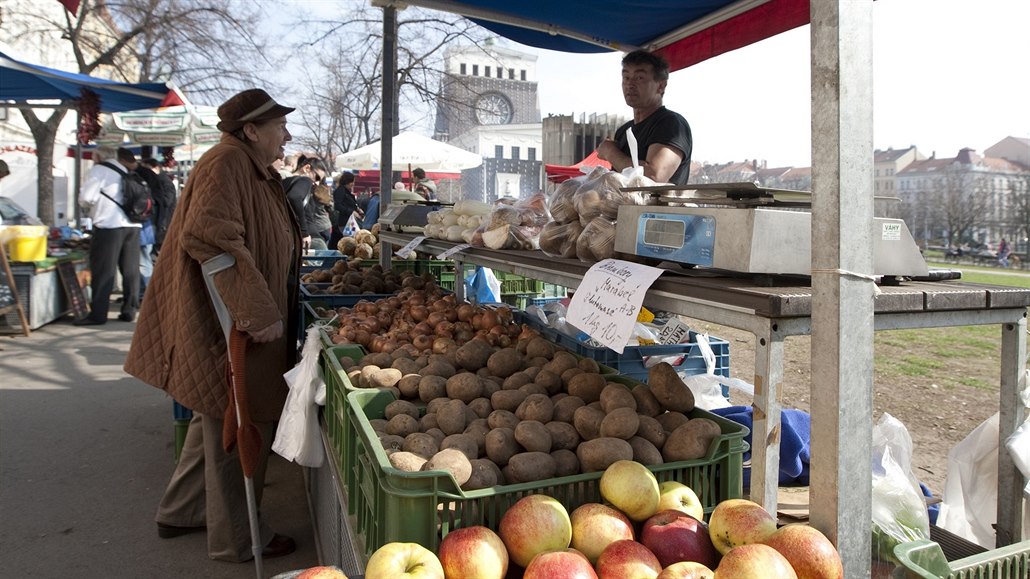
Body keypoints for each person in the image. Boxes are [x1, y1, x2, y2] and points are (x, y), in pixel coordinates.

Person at [123, 88, 300, 562]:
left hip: (236, 314)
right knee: (242, 422)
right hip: (229, 320)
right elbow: (212, 239)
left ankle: (181, 510)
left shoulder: (249, 166)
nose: (286, 135)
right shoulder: (227, 163)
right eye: (278, 127)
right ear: (250, 131)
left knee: (213, 414)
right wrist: (256, 310)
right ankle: (239, 539)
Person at [596, 49, 693, 185]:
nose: (630, 84)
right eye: (626, 78)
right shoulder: (623, 131)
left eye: (640, 78)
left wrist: (610, 152)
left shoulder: (671, 123)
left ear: (661, 85)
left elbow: (654, 176)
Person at [75, 146, 143, 325]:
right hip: (132, 224)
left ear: (98, 156)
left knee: (103, 270)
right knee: (130, 270)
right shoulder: (125, 171)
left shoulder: (99, 170)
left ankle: (98, 314)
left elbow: (87, 197)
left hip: (109, 224)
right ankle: (129, 310)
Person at [284, 155, 332, 250]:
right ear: (307, 168)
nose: (317, 183)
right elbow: (294, 197)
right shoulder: (305, 180)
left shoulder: (286, 182)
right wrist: (304, 232)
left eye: (320, 180)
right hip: (310, 238)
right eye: (317, 177)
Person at [329, 171, 357, 248]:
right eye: (352, 182)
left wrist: (357, 209)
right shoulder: (340, 191)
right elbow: (338, 205)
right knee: (345, 243)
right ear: (347, 182)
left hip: (346, 222)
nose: (353, 184)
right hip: (342, 222)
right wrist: (351, 211)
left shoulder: (346, 191)